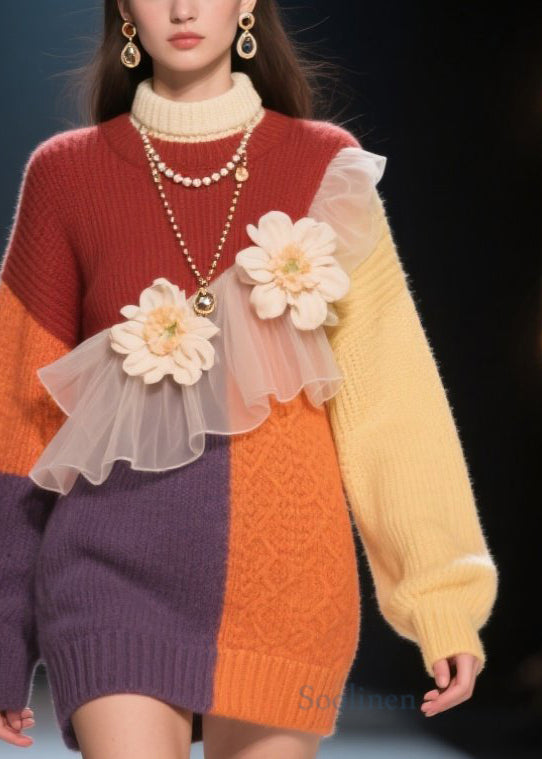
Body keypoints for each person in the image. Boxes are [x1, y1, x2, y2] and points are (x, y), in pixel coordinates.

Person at [0, 1, 499, 757]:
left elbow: (391, 404)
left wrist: (441, 598)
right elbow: (20, 421)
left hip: (288, 579)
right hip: (107, 573)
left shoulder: (323, 167)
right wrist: (5, 635)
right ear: (123, 11)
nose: (183, 8)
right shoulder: (67, 174)